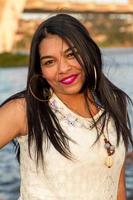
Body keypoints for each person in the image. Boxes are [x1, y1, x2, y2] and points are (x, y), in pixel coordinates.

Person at [0, 13, 132, 200]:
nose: (63, 68)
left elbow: (117, 187)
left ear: (88, 51)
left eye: (71, 54)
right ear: (41, 71)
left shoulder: (114, 106)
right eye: (49, 62)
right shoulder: (27, 111)